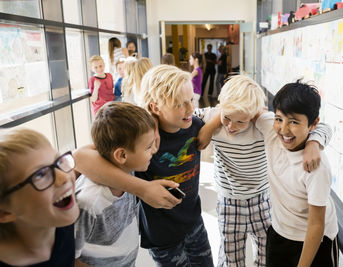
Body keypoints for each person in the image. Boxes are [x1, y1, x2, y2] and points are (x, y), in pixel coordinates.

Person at [74, 65, 214, 267]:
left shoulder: (193, 123)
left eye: (191, 100)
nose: (190, 109)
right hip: (162, 235)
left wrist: (212, 124)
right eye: (180, 104)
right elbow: (80, 156)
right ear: (155, 107)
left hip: (193, 222)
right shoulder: (140, 140)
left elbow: (229, 108)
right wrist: (142, 188)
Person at [195, 75, 332, 267]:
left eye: (241, 122)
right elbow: (180, 117)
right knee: (230, 258)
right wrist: (212, 123)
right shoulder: (211, 117)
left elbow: (322, 126)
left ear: (254, 115)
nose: (231, 127)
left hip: (261, 200)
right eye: (226, 118)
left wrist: (314, 142)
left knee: (264, 256)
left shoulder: (265, 125)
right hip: (229, 201)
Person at [255, 81, 338, 266]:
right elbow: (242, 107)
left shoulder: (316, 166)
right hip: (279, 231)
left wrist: (314, 141)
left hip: (314, 241)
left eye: (293, 122)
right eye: (279, 119)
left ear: (313, 124)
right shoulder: (271, 129)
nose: (283, 129)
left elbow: (317, 225)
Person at [74, 102, 157, 266]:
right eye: (148, 147)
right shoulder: (88, 202)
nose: (154, 150)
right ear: (121, 155)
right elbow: (67, 256)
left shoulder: (129, 169)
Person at [0, 128, 80, 266]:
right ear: (4, 212)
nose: (64, 177)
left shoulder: (60, 218)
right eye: (40, 174)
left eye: (59, 161)